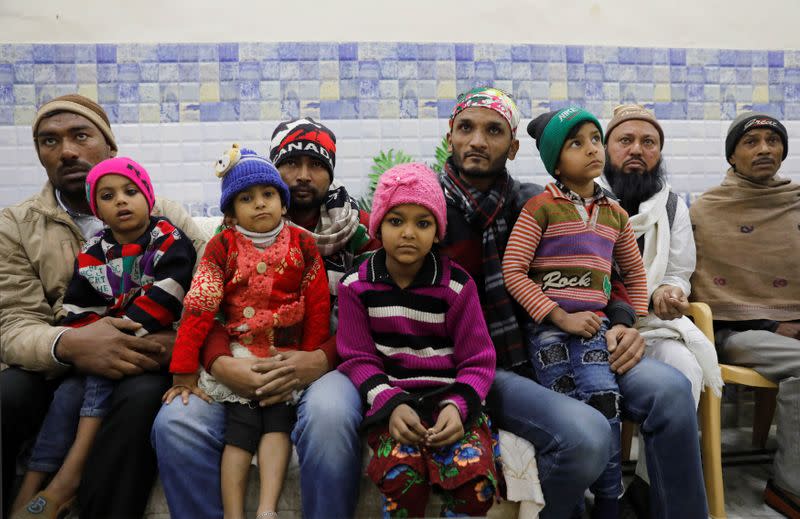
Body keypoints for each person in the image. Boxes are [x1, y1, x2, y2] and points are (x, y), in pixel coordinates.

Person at [439, 86, 707, 518]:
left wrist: (624, 321)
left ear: (513, 147)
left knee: (672, 391)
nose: (477, 141)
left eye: (493, 130)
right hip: (497, 363)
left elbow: (614, 272)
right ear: (449, 135)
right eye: (466, 128)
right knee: (584, 431)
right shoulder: (426, 207)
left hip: (587, 338)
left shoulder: (539, 201)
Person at [150, 119, 379, 519]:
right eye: (293, 162)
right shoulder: (224, 242)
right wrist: (220, 364)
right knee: (175, 422)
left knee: (329, 416)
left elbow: (369, 318)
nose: (305, 174)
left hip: (330, 362)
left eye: (317, 163)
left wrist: (317, 360)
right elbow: (206, 309)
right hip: (234, 359)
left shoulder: (360, 234)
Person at [0, 95, 205, 519]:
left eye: (80, 135)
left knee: (141, 395)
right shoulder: (16, 226)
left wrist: (174, 341)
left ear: (110, 146)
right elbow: (13, 323)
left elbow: (209, 286)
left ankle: (80, 496)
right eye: (49, 141)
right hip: (56, 365)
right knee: (6, 394)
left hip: (142, 355)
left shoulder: (163, 217)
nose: (67, 150)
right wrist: (71, 344)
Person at [162, 146, 330, 519]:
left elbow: (317, 305)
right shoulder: (221, 247)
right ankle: (234, 513)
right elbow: (200, 303)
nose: (260, 205)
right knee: (239, 433)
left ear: (283, 203)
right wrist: (184, 369)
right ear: (230, 210)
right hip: (239, 356)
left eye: (268, 195)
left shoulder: (303, 245)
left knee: (276, 427)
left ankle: (267, 510)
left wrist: (307, 358)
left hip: (285, 360)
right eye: (246, 198)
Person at [502, 107, 649, 517]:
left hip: (595, 331)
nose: (592, 150)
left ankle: (608, 503)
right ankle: (568, 506)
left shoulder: (616, 215)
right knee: (568, 414)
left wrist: (630, 322)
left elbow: (635, 276)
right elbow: (513, 271)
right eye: (576, 143)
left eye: (596, 140)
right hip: (549, 331)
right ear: (556, 161)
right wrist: (559, 316)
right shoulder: (540, 208)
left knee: (605, 405)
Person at [337, 162, 499, 518]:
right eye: (396, 221)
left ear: (438, 232)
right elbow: (358, 359)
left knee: (475, 485)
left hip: (451, 403)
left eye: (422, 223)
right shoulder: (355, 287)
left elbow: (479, 360)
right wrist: (391, 405)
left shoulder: (456, 286)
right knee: (401, 481)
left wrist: (459, 406)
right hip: (395, 407)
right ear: (377, 225)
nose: (408, 233)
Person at [601, 104, 723, 514]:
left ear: (659, 152)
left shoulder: (672, 206)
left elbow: (678, 271)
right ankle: (600, 492)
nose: (637, 149)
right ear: (605, 149)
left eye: (648, 142)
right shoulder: (583, 199)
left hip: (652, 328)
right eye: (626, 140)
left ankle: (651, 487)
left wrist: (668, 293)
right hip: (590, 329)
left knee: (684, 367)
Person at [690, 111, 800, 518]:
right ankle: (790, 490)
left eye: (773, 140)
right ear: (732, 156)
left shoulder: (796, 202)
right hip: (736, 332)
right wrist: (773, 325)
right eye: (751, 142)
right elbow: (701, 289)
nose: (765, 149)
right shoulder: (708, 209)